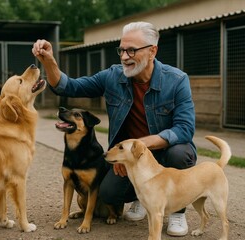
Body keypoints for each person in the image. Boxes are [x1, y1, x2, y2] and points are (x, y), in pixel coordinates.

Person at [32, 21, 197, 237]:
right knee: (108, 193)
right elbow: (68, 86)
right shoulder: (112, 76)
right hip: (128, 156)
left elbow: (184, 129)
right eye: (121, 50)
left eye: (131, 50)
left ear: (152, 51)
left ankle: (177, 211)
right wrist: (49, 62)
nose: (124, 56)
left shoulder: (177, 80)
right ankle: (141, 198)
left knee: (180, 153)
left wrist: (140, 145)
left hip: (163, 152)